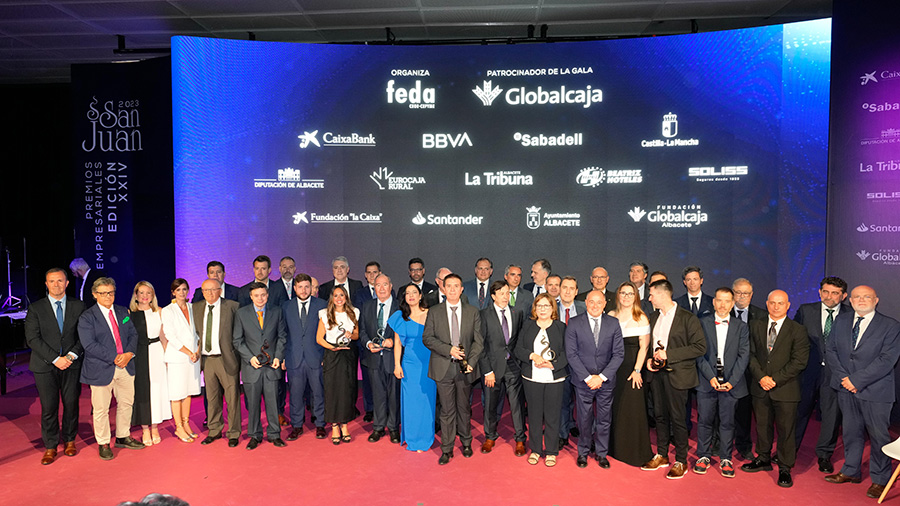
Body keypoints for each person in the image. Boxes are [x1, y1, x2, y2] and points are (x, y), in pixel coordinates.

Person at [825, 286, 900, 500]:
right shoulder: (841, 321)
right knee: (851, 432)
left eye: (867, 297)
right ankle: (851, 470)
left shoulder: (891, 326)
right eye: (857, 296)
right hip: (845, 388)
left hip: (876, 391)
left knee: (878, 436)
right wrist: (845, 379)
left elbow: (887, 360)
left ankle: (881, 479)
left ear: (876, 300)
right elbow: (830, 350)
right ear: (850, 300)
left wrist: (856, 380)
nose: (861, 300)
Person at [741, 290, 808, 488]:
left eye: (781, 303)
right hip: (760, 386)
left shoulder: (798, 330)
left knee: (786, 430)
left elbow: (799, 361)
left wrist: (774, 380)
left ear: (788, 305)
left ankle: (785, 467)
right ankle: (763, 458)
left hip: (786, 389)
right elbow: (749, 355)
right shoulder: (755, 325)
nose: (776, 307)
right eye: (772, 303)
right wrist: (761, 377)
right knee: (762, 426)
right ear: (767, 303)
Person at [641, 279, 705, 479]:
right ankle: (662, 455)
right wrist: (649, 360)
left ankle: (681, 460)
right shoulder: (653, 317)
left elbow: (699, 347)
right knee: (660, 416)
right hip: (657, 375)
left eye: (652, 294)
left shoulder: (687, 318)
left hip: (678, 376)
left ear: (662, 294)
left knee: (678, 419)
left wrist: (669, 354)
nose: (649, 298)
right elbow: (650, 345)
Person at [78, 277, 145, 460]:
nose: (107, 296)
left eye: (111, 292)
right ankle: (104, 442)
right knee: (101, 409)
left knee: (126, 403)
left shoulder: (123, 311)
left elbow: (133, 334)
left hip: (126, 366)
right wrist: (115, 357)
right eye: (103, 293)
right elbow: (89, 344)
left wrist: (128, 354)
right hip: (101, 368)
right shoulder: (87, 317)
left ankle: (123, 436)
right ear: (94, 294)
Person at [25, 268, 85, 464]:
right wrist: (55, 359)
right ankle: (50, 445)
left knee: (71, 404)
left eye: (60, 281)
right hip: (45, 366)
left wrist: (71, 356)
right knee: (49, 407)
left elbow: (83, 335)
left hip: (71, 364)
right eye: (52, 281)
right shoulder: (36, 308)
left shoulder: (79, 306)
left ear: (67, 283)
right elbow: (32, 339)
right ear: (46, 284)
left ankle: (69, 440)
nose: (56, 285)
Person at [423, 273, 483, 465]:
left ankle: (466, 443)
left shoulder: (473, 312)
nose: (452, 289)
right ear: (443, 288)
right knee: (447, 410)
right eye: (448, 286)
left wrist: (471, 361)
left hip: (465, 368)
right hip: (443, 366)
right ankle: (447, 448)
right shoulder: (434, 311)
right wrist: (448, 349)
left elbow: (478, 341)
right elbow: (427, 338)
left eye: (456, 286)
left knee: (464, 408)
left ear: (461, 289)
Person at [794, 276, 850, 473]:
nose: (829, 296)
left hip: (835, 374)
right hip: (807, 372)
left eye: (835, 293)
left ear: (843, 296)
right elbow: (794, 339)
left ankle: (824, 455)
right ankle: (789, 450)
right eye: (825, 291)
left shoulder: (851, 315)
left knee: (831, 416)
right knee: (799, 412)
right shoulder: (805, 310)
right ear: (819, 292)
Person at [693, 287, 749, 478]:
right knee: (704, 421)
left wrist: (732, 381)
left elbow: (744, 356)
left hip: (731, 383)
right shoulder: (702, 323)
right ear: (714, 302)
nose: (723, 304)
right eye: (719, 300)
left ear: (732, 304)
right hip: (706, 381)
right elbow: (699, 354)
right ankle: (703, 455)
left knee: (728, 423)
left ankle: (726, 458)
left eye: (727, 301)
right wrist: (711, 377)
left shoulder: (741, 326)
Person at [566, 290, 625, 469]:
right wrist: (587, 377)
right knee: (584, 418)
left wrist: (602, 377)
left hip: (605, 381)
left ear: (605, 304)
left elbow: (618, 354)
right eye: (591, 302)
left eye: (599, 302)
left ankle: (602, 453)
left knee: (604, 419)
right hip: (583, 381)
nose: (595, 305)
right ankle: (583, 452)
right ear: (586, 302)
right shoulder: (574, 323)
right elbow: (571, 354)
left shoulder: (613, 323)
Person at [515, 293, 568, 467]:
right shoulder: (528, 325)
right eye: (539, 306)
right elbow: (518, 349)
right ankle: (536, 450)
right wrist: (532, 356)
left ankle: (551, 451)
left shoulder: (561, 327)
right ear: (534, 309)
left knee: (552, 416)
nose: (543, 309)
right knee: (534, 415)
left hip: (554, 379)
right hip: (532, 378)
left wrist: (553, 364)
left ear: (553, 308)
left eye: (546, 306)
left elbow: (568, 352)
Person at [233, 282, 288, 449]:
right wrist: (249, 358)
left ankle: (274, 434)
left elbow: (282, 336)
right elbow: (237, 340)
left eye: (263, 295)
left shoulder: (277, 311)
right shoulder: (241, 313)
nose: (260, 298)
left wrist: (278, 356)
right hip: (252, 367)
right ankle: (254, 435)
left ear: (267, 295)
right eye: (256, 295)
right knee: (253, 404)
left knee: (273, 402)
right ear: (251, 296)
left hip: (272, 366)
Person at [478, 280, 527, 457]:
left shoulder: (517, 313)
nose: (505, 297)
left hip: (513, 366)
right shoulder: (483, 315)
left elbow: (519, 340)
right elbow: (480, 345)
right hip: (492, 368)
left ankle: (520, 439)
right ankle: (490, 436)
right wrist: (487, 371)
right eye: (501, 293)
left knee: (517, 405)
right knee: (490, 404)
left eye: (507, 293)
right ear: (493, 296)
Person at [608, 281, 653, 467]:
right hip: (613, 369)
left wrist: (637, 370)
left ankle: (633, 451)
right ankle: (615, 448)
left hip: (632, 370)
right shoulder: (610, 316)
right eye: (623, 293)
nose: (626, 297)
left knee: (632, 408)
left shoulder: (641, 317)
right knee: (614, 407)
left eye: (630, 293)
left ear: (636, 297)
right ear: (618, 295)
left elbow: (644, 347)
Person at [193, 279, 241, 447]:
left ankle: (234, 432)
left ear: (220, 290)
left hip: (226, 358)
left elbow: (239, 333)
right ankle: (214, 430)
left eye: (213, 289)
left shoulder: (233, 306)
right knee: (212, 398)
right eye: (206, 290)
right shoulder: (196, 307)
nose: (210, 293)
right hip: (207, 359)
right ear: (202, 292)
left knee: (232, 398)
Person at [390, 283, 436, 452]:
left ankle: (426, 437)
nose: (411, 295)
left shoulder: (431, 314)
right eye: (407, 293)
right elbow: (397, 343)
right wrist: (397, 365)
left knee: (427, 401)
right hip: (409, 365)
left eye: (414, 292)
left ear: (420, 295)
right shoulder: (399, 316)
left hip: (429, 364)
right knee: (411, 402)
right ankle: (412, 438)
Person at [282, 273, 328, 440]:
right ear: (294, 288)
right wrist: (283, 357)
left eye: (307, 287)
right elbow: (283, 333)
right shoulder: (286, 306)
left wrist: (325, 356)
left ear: (312, 288)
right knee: (295, 394)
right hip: (293, 358)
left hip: (315, 356)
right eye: (300, 287)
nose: (303, 290)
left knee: (318, 393)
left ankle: (320, 424)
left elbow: (328, 333)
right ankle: (296, 425)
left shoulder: (322, 305)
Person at [358, 274, 401, 443]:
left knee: (394, 395)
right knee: (377, 395)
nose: (381, 288)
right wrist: (368, 343)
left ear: (391, 286)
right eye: (378, 285)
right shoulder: (367, 306)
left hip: (393, 359)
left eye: (385, 284)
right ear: (374, 288)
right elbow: (362, 330)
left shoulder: (400, 307)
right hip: (373, 358)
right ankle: (378, 427)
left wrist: (394, 341)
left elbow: (406, 332)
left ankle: (393, 428)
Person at [129, 281, 172, 447]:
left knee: (157, 390)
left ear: (153, 295)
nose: (145, 296)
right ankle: (145, 428)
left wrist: (167, 357)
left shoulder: (159, 312)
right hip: (138, 355)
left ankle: (155, 427)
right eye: (141, 292)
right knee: (141, 391)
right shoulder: (129, 314)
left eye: (148, 292)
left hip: (156, 353)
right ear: (136, 295)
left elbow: (163, 337)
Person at [316, 285, 360, 444]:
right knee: (332, 390)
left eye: (342, 295)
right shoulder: (324, 314)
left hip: (347, 354)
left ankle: (344, 425)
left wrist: (350, 334)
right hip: (332, 354)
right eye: (336, 295)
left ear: (346, 297)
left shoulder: (354, 312)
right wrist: (332, 347)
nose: (339, 298)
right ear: (332, 298)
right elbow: (319, 338)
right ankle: (334, 425)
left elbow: (356, 335)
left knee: (346, 391)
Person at [161, 278, 202, 443]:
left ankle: (186, 424)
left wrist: (197, 351)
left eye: (184, 289)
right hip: (177, 357)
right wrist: (188, 352)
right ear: (173, 292)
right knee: (177, 393)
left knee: (188, 392)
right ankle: (178, 427)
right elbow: (170, 335)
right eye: (178, 290)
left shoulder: (193, 308)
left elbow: (198, 332)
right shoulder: (168, 310)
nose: (182, 292)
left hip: (193, 357)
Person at [731, 277, 767, 460]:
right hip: (728, 370)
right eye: (738, 292)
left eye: (746, 293)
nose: (742, 296)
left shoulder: (762, 315)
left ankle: (744, 446)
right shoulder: (723, 312)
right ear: (733, 293)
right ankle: (720, 443)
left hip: (752, 372)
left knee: (746, 412)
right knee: (724, 411)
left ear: (751, 295)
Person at [557, 276, 586, 448]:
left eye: (571, 288)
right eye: (564, 287)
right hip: (560, 363)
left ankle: (584, 432)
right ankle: (562, 434)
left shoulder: (585, 308)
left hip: (582, 364)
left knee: (583, 401)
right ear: (560, 290)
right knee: (562, 401)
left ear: (576, 292)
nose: (567, 291)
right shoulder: (551, 308)